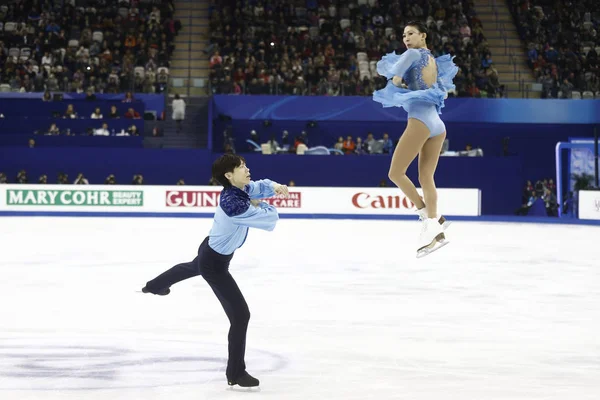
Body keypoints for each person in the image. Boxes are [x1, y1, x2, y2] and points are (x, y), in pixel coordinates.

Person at [141, 154, 289, 388]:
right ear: (228, 175)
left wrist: (276, 187)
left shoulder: (242, 189)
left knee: (192, 266)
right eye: (242, 167)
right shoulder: (233, 204)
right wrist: (260, 204)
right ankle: (236, 373)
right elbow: (269, 220)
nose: (247, 169)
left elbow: (259, 186)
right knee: (241, 315)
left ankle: (154, 285)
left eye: (245, 165)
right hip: (215, 264)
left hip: (210, 247)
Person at [372, 20, 458, 258]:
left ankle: (426, 217)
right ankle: (435, 221)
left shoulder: (411, 54)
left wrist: (397, 83)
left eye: (411, 33)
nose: (406, 38)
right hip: (437, 125)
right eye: (403, 34)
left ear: (423, 35)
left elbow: (396, 80)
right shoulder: (432, 59)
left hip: (420, 120)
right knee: (426, 177)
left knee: (395, 173)